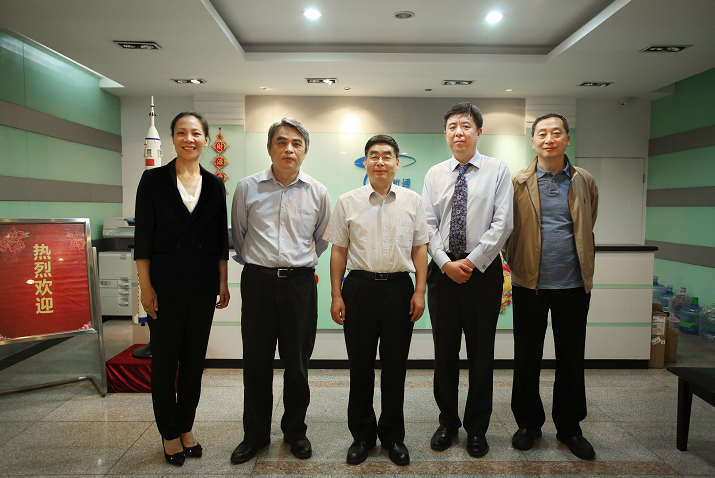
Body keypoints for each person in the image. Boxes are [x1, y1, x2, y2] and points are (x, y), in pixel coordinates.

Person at [230, 117, 331, 464]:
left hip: (300, 286)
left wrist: (296, 266)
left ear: (305, 151)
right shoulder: (247, 187)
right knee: (256, 363)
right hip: (257, 283)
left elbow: (320, 240)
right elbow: (239, 236)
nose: (289, 149)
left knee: (297, 364)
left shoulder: (318, 192)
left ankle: (295, 432)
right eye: (281, 142)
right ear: (270, 148)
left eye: (296, 143)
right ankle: (255, 435)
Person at [324, 135, 428, 466]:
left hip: (399, 289)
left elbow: (420, 248)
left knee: (395, 368)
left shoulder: (413, 201)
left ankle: (393, 437)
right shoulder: (347, 201)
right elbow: (338, 251)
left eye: (386, 156)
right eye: (373, 155)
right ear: (365, 162)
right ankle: (363, 437)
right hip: (359, 289)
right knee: (360, 368)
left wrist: (420, 291)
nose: (380, 161)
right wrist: (336, 294)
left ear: (397, 163)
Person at [134, 111, 230, 466]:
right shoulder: (153, 180)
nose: (189, 139)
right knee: (165, 362)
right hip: (164, 284)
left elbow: (220, 240)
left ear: (206, 139)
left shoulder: (215, 184)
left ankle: (186, 426)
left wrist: (222, 282)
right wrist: (145, 287)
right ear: (173, 138)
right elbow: (143, 237)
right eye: (181, 132)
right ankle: (169, 433)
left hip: (203, 285)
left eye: (195, 133)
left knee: (193, 362)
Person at [504, 113, 598, 459]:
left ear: (567, 139)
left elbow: (589, 220)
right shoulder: (517, 182)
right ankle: (528, 424)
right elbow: (506, 227)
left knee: (571, 358)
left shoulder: (584, 180)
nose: (549, 139)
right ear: (532, 142)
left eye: (556, 133)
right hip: (529, 283)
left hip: (573, 284)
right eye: (542, 134)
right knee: (527, 357)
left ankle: (570, 427)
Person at [422, 102, 513, 458]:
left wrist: (472, 262)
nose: (458, 132)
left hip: (483, 273)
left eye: (466, 125)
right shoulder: (434, 174)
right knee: (444, 353)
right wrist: (445, 263)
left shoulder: (497, 170)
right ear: (445, 134)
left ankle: (477, 429)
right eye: (452, 126)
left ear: (478, 131)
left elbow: (503, 223)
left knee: (481, 354)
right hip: (442, 273)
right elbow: (427, 225)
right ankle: (447, 422)